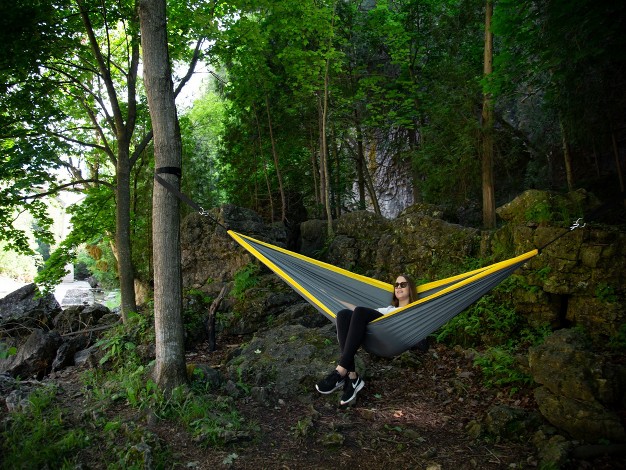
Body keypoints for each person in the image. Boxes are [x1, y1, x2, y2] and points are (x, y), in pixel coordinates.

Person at [315, 274, 418, 405]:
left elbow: (419, 331)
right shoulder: (389, 309)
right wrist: (331, 297)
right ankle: (351, 376)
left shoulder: (414, 311)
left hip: (391, 337)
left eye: (403, 285)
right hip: (378, 334)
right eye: (396, 285)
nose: (398, 287)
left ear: (411, 288)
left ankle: (341, 371)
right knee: (343, 314)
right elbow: (358, 312)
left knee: (360, 311)